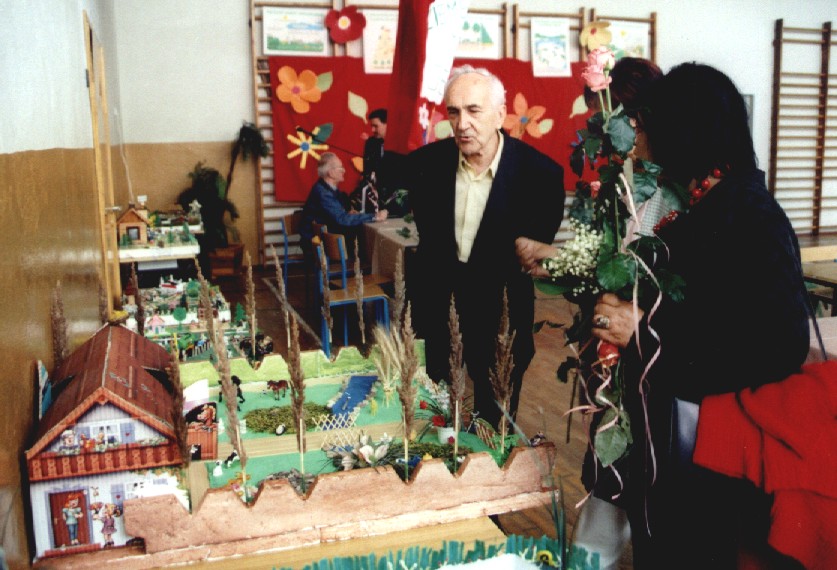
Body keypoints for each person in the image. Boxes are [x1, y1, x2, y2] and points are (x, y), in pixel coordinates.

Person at [520, 63, 810, 568]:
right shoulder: (706, 204)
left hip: (707, 454)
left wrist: (645, 330)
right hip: (675, 445)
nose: (640, 134)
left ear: (685, 130)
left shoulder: (749, 213)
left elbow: (779, 344)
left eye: (649, 123)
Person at [406, 65, 565, 429]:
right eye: (454, 112)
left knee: (493, 429)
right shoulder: (426, 166)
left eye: (474, 110)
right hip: (437, 317)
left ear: (500, 114)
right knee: (434, 425)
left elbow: (533, 257)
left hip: (500, 321)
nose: (462, 124)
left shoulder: (540, 175)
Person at [300, 152, 387, 258]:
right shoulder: (323, 193)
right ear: (331, 173)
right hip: (320, 246)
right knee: (367, 245)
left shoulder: (327, 188)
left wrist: (348, 213)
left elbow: (338, 214)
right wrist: (374, 216)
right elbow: (342, 219)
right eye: (340, 167)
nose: (344, 171)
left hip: (322, 240)